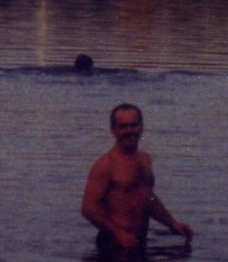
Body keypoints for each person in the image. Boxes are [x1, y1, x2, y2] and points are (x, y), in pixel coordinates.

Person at [82, 102, 193, 251]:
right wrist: (118, 233)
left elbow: (149, 199)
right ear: (113, 130)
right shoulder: (105, 164)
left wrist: (171, 223)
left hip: (139, 242)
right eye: (123, 126)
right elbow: (88, 208)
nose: (129, 131)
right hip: (113, 244)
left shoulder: (145, 160)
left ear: (141, 127)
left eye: (133, 125)